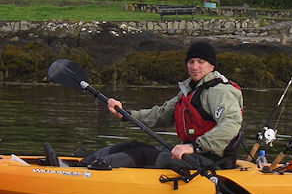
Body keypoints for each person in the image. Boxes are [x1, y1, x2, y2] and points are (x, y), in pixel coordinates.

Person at [80, 40, 243, 169]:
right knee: (132, 145)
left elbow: (231, 124)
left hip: (212, 161)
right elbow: (161, 114)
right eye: (191, 61)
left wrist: (194, 147)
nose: (194, 67)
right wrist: (125, 114)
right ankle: (83, 163)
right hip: (191, 154)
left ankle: (93, 172)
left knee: (142, 155)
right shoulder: (190, 89)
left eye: (200, 62)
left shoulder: (220, 91)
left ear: (211, 65)